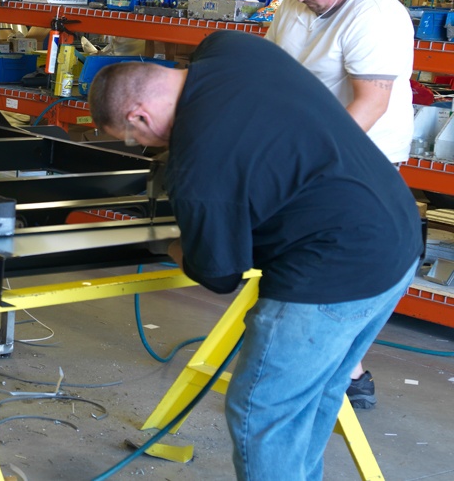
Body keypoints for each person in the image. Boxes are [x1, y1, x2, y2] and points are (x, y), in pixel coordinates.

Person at [87, 31, 421, 480]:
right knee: (317, 392)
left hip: (331, 272)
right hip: (398, 236)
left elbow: (219, 273)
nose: (143, 144)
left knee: (262, 412)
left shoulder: (197, 165)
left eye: (132, 137)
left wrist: (168, 243)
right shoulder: (231, 48)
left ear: (139, 115)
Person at [267, 0, 415, 409]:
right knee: (304, 253)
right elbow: (273, 68)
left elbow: (370, 104)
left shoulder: (374, 16)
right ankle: (342, 368)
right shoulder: (298, 2)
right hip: (309, 144)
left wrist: (315, 162)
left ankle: (347, 370)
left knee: (340, 261)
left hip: (360, 152)